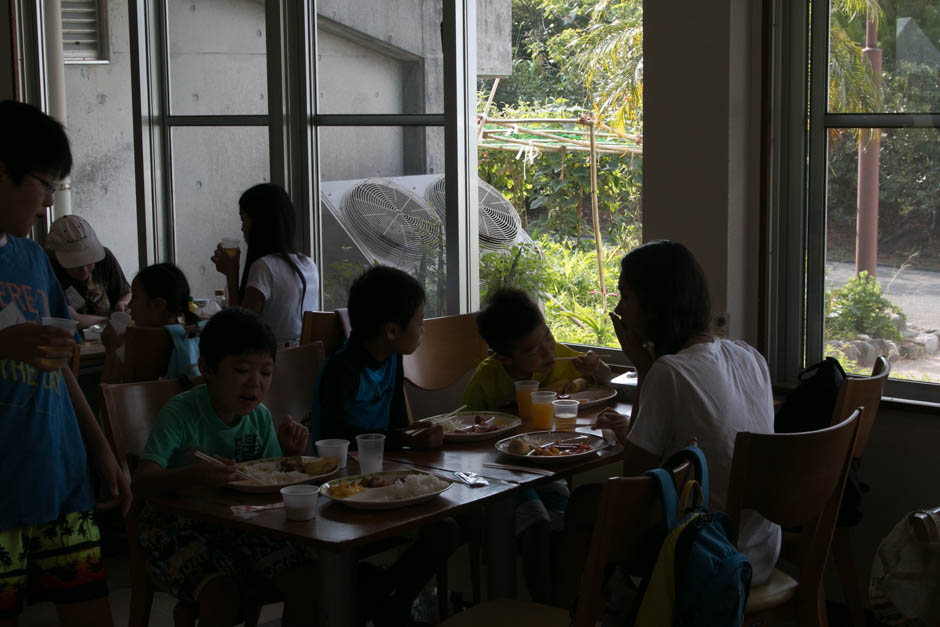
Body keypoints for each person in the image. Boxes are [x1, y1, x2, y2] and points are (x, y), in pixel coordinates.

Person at [0, 99, 131, 626]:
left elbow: (59, 363)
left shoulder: (31, 258)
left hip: (58, 475)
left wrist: (100, 446)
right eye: (44, 184)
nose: (47, 202)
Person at [594, 239, 780, 585]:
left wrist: (643, 365)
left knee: (585, 509)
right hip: (762, 548)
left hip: (708, 555)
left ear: (651, 307)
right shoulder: (749, 356)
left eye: (626, 297)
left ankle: (580, 613)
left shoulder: (669, 373)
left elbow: (635, 478)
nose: (620, 308)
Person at [132, 307, 314, 627]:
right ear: (207, 368)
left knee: (304, 578)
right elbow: (141, 482)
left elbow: (266, 484)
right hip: (174, 525)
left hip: (238, 523)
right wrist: (190, 477)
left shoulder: (258, 417)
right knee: (222, 593)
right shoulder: (181, 412)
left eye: (266, 373)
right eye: (242, 369)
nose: (255, 384)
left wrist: (288, 456)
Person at [311, 265, 458, 626]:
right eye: (420, 322)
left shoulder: (392, 358)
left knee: (452, 525)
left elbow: (397, 426)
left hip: (382, 481)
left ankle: (388, 597)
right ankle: (384, 600)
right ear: (392, 331)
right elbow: (334, 436)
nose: (423, 330)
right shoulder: (340, 370)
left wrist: (416, 435)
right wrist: (406, 439)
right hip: (340, 489)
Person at [459, 287, 613, 603]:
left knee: (561, 523)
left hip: (544, 468)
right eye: (532, 349)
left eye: (547, 335)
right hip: (500, 477)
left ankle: (558, 605)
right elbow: (466, 430)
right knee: (538, 524)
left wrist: (597, 369)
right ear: (504, 356)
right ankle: (543, 606)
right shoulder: (488, 377)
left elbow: (606, 379)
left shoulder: (558, 360)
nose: (547, 350)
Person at [211, 183, 318, 347]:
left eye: (243, 219)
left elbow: (240, 330)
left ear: (259, 222)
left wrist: (231, 274)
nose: (242, 227)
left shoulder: (264, 267)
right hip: (305, 360)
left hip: (273, 364)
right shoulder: (308, 264)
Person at [100, 262, 204, 383]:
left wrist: (111, 351)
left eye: (135, 297)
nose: (129, 305)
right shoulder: (196, 335)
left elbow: (109, 398)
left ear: (158, 305)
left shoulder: (138, 345)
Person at [46, 214, 131, 330]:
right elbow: (74, 320)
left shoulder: (105, 258)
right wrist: (110, 319)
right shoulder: (51, 270)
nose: (84, 269)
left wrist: (122, 304)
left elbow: (125, 292)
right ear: (57, 258)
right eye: (75, 264)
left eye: (89, 260)